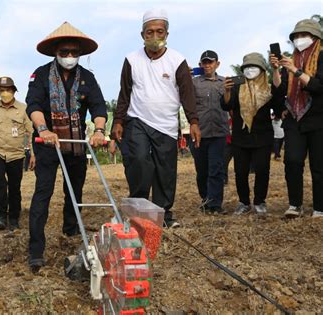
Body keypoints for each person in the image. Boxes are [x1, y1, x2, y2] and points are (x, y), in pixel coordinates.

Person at [26, 22, 107, 272]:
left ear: (80, 53)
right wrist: (44, 130)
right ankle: (36, 249)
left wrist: (100, 130)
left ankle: (70, 229)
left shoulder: (88, 78)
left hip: (76, 143)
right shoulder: (41, 75)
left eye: (74, 52)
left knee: (75, 190)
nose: (69, 57)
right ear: (55, 53)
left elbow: (99, 107)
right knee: (43, 193)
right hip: (47, 143)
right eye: (64, 52)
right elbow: (34, 106)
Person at [112, 8, 201, 228]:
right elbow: (124, 93)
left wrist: (194, 121)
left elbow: (187, 94)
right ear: (142, 35)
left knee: (165, 170)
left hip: (166, 124)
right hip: (137, 120)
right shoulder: (131, 60)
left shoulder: (177, 60)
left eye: (159, 32)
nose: (154, 37)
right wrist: (118, 120)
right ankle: (138, 211)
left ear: (167, 34)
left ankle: (163, 214)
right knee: (139, 161)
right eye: (149, 32)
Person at [270, 19, 323, 218]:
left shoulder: (321, 57)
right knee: (292, 161)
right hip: (294, 118)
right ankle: (295, 204)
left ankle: (320, 206)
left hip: (318, 117)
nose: (299, 39)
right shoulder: (290, 62)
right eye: (296, 36)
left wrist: (295, 70)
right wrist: (276, 69)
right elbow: (279, 90)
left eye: (304, 35)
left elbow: (318, 86)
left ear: (315, 38)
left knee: (319, 166)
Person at [221, 53, 284, 216]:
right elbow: (227, 106)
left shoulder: (268, 88)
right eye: (247, 67)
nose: (250, 70)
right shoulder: (237, 87)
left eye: (254, 67)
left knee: (262, 170)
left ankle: (259, 202)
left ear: (262, 70)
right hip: (240, 137)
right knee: (240, 171)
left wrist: (276, 70)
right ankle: (244, 202)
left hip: (262, 137)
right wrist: (227, 91)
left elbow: (278, 104)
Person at [0, 76, 35, 231]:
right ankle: (0, 216)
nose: (5, 93)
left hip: (16, 155)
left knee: (14, 186)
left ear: (13, 91)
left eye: (8, 90)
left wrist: (33, 154)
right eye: (2, 90)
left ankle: (14, 217)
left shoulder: (23, 109)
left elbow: (31, 132)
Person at [191, 50, 229, 214]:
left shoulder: (225, 82)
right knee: (202, 170)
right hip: (200, 133)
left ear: (217, 64)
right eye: (204, 62)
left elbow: (230, 105)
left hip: (219, 132)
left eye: (210, 62)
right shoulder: (193, 83)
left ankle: (215, 204)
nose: (207, 65)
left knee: (216, 169)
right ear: (200, 65)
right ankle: (205, 198)